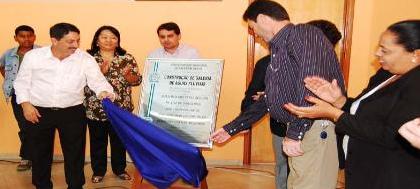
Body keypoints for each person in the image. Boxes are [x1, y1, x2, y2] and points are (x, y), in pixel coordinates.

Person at [211, 1, 345, 189]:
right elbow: (270, 97)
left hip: (312, 130)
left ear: (264, 19)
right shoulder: (280, 49)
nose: (255, 34)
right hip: (302, 129)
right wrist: (231, 128)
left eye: (253, 28)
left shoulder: (304, 34)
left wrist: (295, 133)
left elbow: (313, 90)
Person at [284, 20, 420, 189]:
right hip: (364, 169)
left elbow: (391, 135)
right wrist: (339, 101)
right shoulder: (386, 74)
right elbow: (366, 113)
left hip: (390, 176)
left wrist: (334, 114)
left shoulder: (415, 84)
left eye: (385, 50)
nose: (377, 53)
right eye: (379, 47)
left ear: (416, 54)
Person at [241, 19, 343, 189]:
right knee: (286, 171)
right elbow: (250, 97)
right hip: (281, 128)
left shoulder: (328, 64)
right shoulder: (268, 63)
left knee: (310, 175)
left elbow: (337, 100)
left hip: (316, 132)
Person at [14, 22, 114, 189]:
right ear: (54, 40)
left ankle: (75, 186)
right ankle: (42, 185)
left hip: (72, 112)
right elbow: (21, 83)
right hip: (38, 111)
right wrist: (25, 105)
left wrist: (104, 92)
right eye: (70, 41)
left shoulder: (84, 59)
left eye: (77, 40)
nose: (75, 45)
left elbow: (98, 81)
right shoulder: (34, 57)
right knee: (40, 154)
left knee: (75, 154)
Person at [84, 25, 142, 183]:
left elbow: (137, 80)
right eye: (104, 37)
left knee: (119, 141)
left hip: (121, 108)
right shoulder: (87, 58)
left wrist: (131, 78)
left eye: (113, 37)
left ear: (118, 41)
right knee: (98, 141)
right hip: (96, 108)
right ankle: (98, 171)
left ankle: (119, 169)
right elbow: (78, 82)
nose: (109, 40)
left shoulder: (126, 57)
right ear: (97, 40)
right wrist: (100, 74)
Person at [0, 25, 40, 171]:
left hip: (38, 95)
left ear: (34, 37)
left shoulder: (42, 52)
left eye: (29, 35)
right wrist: (11, 82)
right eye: (22, 36)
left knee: (37, 126)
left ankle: (38, 157)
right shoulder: (9, 54)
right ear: (16, 38)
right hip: (17, 96)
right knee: (24, 126)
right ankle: (27, 158)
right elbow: (2, 66)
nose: (26, 39)